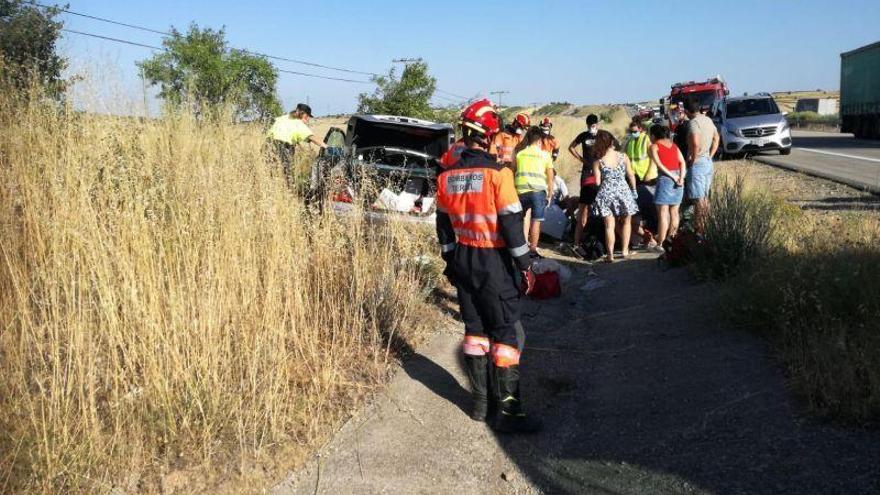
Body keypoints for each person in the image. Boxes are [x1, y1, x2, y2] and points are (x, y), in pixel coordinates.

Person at [435, 99, 540, 433]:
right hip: (493, 261)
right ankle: (508, 414)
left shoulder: (447, 175)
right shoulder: (499, 175)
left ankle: (480, 406)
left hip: (463, 259)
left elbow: (443, 227)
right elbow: (511, 226)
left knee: (475, 331)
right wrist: (525, 264)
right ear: (491, 135)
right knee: (505, 333)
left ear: (465, 134)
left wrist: (451, 261)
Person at [591, 130, 639, 262]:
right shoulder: (623, 157)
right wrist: (634, 190)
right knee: (626, 222)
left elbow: (597, 182)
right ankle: (624, 251)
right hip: (623, 191)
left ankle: (610, 255)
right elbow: (630, 174)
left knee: (609, 226)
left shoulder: (598, 161)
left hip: (606, 192)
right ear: (612, 142)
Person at [515, 127, 555, 255]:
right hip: (538, 191)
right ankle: (533, 249)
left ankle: (523, 244)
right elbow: (550, 176)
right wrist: (550, 193)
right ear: (539, 141)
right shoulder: (545, 155)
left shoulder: (520, 153)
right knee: (536, 221)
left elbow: (512, 170)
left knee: (524, 217)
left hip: (521, 190)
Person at [648, 124, 687, 250]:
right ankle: (672, 239)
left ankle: (661, 243)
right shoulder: (674, 146)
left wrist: (673, 176)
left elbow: (659, 165)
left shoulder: (654, 146)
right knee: (674, 212)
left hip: (665, 179)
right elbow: (682, 162)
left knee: (663, 214)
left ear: (653, 136)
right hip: (678, 180)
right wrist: (681, 177)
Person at [267, 103, 326, 184]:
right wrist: (327, 147)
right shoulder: (299, 124)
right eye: (307, 116)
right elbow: (313, 138)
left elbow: (287, 133)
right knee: (287, 176)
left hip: (267, 146)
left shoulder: (283, 117)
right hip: (282, 148)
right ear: (303, 114)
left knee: (269, 174)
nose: (308, 119)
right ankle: (286, 193)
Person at [684, 99, 720, 233]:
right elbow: (716, 138)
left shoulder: (693, 123)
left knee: (698, 200)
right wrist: (710, 155)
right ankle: (707, 226)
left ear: (687, 111)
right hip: (707, 162)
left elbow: (695, 143)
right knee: (705, 197)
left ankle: (700, 230)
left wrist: (693, 159)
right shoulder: (708, 120)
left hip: (698, 163)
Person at [568, 114, 600, 258]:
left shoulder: (602, 136)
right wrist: (581, 159)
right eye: (589, 125)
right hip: (587, 174)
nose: (591, 128)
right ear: (587, 125)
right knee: (583, 209)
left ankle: (599, 237)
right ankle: (577, 242)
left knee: (601, 206)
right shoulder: (583, 135)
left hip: (600, 172)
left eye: (593, 125)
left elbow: (614, 147)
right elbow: (571, 147)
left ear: (597, 124)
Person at [622, 118, 658, 248]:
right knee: (636, 210)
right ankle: (643, 237)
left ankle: (653, 236)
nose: (633, 133)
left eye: (635, 131)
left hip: (646, 178)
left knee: (649, 209)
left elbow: (653, 157)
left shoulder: (646, 139)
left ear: (641, 129)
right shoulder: (630, 140)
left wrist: (649, 172)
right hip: (634, 179)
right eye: (631, 131)